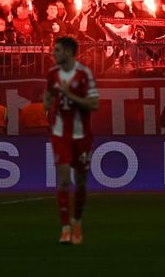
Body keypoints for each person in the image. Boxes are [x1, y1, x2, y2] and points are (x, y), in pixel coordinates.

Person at [45, 36, 100, 245]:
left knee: (82, 182)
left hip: (82, 135)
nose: (54, 53)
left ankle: (77, 221)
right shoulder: (52, 74)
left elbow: (94, 104)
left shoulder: (84, 74)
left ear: (68, 52)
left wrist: (70, 95)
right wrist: (48, 101)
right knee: (64, 178)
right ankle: (66, 228)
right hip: (61, 134)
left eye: (57, 50)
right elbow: (49, 95)